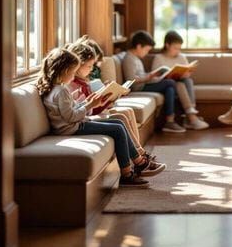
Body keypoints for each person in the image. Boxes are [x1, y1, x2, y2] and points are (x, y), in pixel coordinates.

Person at [37, 46, 149, 188]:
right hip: (71, 128)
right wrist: (89, 105)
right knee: (118, 130)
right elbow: (71, 117)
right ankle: (128, 173)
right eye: (72, 72)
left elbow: (69, 111)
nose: (73, 76)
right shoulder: (61, 91)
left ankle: (139, 162)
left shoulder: (55, 88)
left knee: (118, 123)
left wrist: (87, 102)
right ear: (64, 71)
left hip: (71, 125)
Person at [67, 38, 164, 176]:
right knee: (120, 120)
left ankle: (140, 157)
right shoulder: (73, 86)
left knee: (123, 116)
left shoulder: (83, 83)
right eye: (89, 67)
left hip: (84, 117)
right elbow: (85, 111)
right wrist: (101, 102)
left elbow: (89, 108)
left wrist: (111, 98)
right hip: (82, 120)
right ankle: (139, 160)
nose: (92, 70)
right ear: (78, 65)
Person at [123, 30, 184, 133]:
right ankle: (171, 120)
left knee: (169, 88)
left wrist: (152, 76)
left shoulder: (136, 58)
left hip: (144, 84)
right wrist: (149, 77)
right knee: (170, 83)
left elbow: (140, 75)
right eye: (146, 50)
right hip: (139, 88)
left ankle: (170, 121)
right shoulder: (129, 58)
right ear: (139, 46)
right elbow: (131, 80)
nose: (147, 53)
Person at [151, 30, 208, 129]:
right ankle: (191, 117)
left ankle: (190, 114)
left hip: (181, 85)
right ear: (167, 45)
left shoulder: (181, 57)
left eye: (179, 48)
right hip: (167, 86)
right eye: (175, 48)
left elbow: (186, 74)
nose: (178, 51)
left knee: (188, 81)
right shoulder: (158, 58)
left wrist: (185, 74)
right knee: (177, 84)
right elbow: (154, 78)